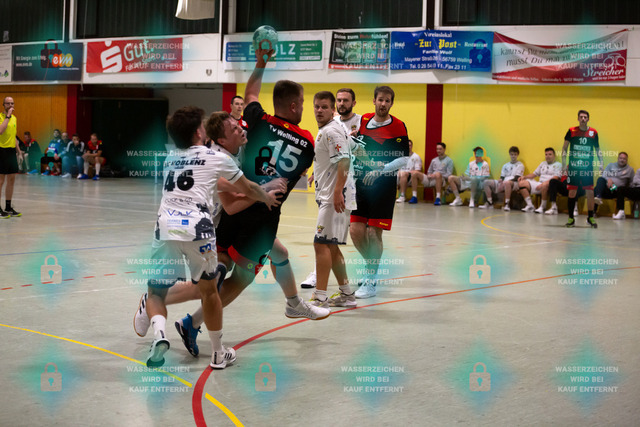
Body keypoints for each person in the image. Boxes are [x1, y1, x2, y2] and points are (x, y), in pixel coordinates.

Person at [142, 106, 279, 369]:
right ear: (198, 132)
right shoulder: (216, 158)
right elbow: (248, 187)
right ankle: (218, 353)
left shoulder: (170, 158)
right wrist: (266, 197)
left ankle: (159, 335)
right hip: (198, 228)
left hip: (166, 227)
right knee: (209, 292)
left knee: (155, 292)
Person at [213, 47, 332, 318]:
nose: (305, 108)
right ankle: (194, 320)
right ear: (294, 106)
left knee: (277, 254)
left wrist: (261, 62)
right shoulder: (307, 142)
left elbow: (251, 94)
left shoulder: (258, 120)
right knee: (242, 278)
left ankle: (294, 303)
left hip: (234, 205)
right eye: (303, 103)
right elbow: (297, 174)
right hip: (263, 218)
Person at [350, 85, 410, 298]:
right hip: (360, 183)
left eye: (387, 100)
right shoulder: (364, 120)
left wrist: (381, 170)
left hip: (383, 185)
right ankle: (370, 268)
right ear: (374, 101)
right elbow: (358, 144)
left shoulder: (399, 126)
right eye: (380, 99)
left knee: (373, 232)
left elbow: (404, 158)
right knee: (355, 231)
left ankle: (371, 281)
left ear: (391, 103)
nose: (383, 104)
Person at [301, 87, 361, 290]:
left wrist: (337, 193)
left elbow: (344, 161)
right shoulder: (331, 128)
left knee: (321, 244)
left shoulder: (331, 130)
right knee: (332, 247)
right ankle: (346, 293)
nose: (319, 110)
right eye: (316, 107)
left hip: (333, 199)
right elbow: (352, 150)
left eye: (324, 107)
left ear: (332, 109)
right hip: (329, 195)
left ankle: (320, 295)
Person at [562, 110, 604, 228]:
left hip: (587, 167)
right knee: (572, 192)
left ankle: (590, 217)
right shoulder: (571, 131)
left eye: (585, 117)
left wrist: (601, 162)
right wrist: (564, 164)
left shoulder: (593, 132)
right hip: (574, 167)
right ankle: (571, 218)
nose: (583, 119)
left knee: (590, 192)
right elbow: (564, 148)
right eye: (581, 117)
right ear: (578, 118)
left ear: (588, 119)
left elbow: (597, 149)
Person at [518, 147, 562, 213]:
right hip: (540, 183)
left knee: (544, 185)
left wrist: (544, 184)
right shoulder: (542, 164)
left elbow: (556, 177)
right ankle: (530, 205)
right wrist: (524, 177)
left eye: (550, 154)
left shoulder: (559, 165)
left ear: (554, 155)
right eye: (546, 154)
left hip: (550, 185)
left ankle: (542, 207)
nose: (547, 156)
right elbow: (534, 174)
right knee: (521, 183)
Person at [480, 146, 524, 210]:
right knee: (486, 182)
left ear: (517, 155)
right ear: (509, 154)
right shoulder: (505, 165)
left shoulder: (520, 165)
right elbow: (502, 177)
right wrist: (500, 180)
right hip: (504, 182)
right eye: (512, 154)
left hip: (514, 183)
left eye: (515, 154)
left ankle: (507, 204)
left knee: (507, 183)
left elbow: (517, 177)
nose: (513, 156)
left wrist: (504, 182)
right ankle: (490, 203)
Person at [0, 96, 21, 218]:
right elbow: (1, 131)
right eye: (8, 103)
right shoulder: (1, 117)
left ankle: (8, 207)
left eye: (12, 103)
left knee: (11, 179)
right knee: (0, 181)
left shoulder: (14, 118)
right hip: (1, 150)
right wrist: (7, 116)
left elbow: (13, 136)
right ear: (3, 105)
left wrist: (18, 151)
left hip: (11, 151)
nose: (10, 105)